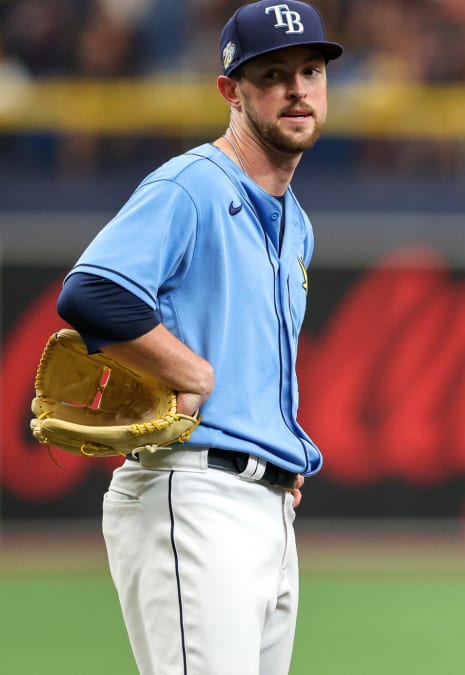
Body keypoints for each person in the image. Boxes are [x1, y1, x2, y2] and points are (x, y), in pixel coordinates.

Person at [54, 2, 341, 672]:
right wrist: (192, 373)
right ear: (230, 91)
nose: (296, 89)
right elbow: (92, 292)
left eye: (310, 70)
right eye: (272, 74)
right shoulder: (192, 186)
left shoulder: (295, 220)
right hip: (193, 495)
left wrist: (276, 440)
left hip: (266, 507)